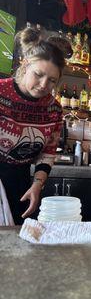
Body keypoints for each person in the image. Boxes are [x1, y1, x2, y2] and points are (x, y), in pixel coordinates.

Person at [0, 26, 72, 224]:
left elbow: (47, 153)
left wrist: (37, 185)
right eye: (38, 74)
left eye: (51, 81)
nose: (43, 85)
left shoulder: (53, 109)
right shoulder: (1, 92)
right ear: (24, 65)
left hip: (21, 182)